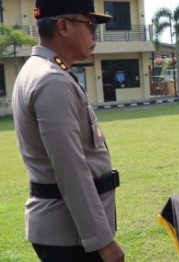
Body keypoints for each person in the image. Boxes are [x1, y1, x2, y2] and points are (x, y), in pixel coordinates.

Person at [12, 0, 125, 261]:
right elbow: (71, 170)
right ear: (63, 26)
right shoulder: (51, 80)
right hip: (70, 236)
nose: (95, 34)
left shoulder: (39, 71)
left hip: (64, 229)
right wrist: (102, 240)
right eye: (90, 25)